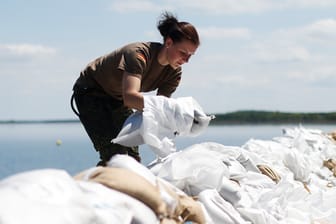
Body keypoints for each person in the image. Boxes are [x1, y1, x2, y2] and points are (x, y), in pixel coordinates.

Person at [71, 12, 200, 166]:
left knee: (132, 159)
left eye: (191, 55)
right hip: (91, 92)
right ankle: (98, 186)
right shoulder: (138, 54)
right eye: (183, 53)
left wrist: (178, 122)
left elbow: (161, 108)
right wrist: (170, 109)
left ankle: (124, 187)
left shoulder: (174, 72)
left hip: (117, 99)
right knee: (115, 156)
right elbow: (131, 98)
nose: (186, 60)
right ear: (169, 43)